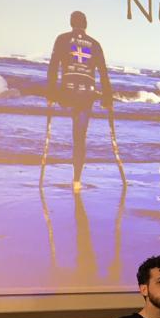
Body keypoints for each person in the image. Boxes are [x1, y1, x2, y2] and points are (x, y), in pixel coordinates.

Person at [47, 10, 112, 193]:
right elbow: (103, 73)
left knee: (72, 125)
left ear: (71, 23)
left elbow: (53, 67)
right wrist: (107, 98)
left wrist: (51, 94)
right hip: (86, 95)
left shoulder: (62, 39)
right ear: (86, 24)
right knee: (80, 138)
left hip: (67, 93)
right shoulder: (95, 44)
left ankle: (73, 176)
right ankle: (77, 180)